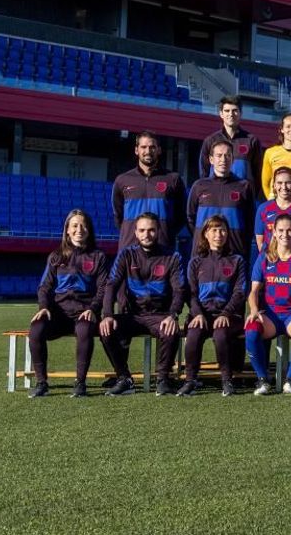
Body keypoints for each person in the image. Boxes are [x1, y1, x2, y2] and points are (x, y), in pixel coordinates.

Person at [99, 213, 184, 396]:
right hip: (133, 316)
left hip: (160, 315)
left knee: (172, 330)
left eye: (151, 230)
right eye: (142, 230)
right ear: (136, 233)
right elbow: (111, 284)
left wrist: (173, 315)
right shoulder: (126, 255)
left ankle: (163, 380)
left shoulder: (172, 256)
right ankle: (124, 379)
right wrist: (107, 315)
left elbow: (179, 290)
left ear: (158, 231)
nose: (147, 234)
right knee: (106, 330)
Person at [27, 209, 109, 398]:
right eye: (74, 225)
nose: (79, 229)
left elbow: (103, 288)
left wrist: (93, 309)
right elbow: (45, 287)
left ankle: (80, 383)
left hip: (84, 312)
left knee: (84, 330)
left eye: (83, 225)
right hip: (59, 313)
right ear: (67, 230)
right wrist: (44, 307)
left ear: (89, 229)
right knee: (36, 329)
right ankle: (41, 383)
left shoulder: (98, 256)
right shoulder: (56, 256)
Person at [245, 214, 291, 396]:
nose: (285, 234)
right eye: (281, 230)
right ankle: (263, 380)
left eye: (289, 230)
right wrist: (254, 310)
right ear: (274, 232)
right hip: (270, 316)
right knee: (251, 329)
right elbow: (253, 291)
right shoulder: (264, 258)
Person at [180, 215, 247, 397]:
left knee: (220, 334)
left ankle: (227, 380)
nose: (219, 234)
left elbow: (240, 292)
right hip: (202, 314)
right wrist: (197, 314)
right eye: (214, 230)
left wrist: (226, 313)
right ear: (206, 234)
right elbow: (191, 293)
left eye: (223, 229)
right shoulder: (195, 262)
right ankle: (190, 380)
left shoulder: (237, 260)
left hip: (228, 315)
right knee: (193, 335)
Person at [111, 130, 186, 250]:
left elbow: (181, 216)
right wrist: (131, 231)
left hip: (163, 249)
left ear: (159, 150)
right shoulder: (123, 180)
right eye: (143, 147)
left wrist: (165, 232)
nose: (148, 151)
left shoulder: (173, 179)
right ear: (137, 150)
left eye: (152, 147)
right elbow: (118, 216)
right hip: (130, 248)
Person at [187, 140, 255, 256]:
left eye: (228, 155)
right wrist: (202, 236)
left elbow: (250, 220)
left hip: (234, 253)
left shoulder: (244, 186)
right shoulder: (199, 186)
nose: (223, 160)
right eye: (219, 155)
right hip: (203, 254)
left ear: (233, 160)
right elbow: (190, 218)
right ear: (211, 159)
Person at [199, 95, 261, 186]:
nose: (231, 114)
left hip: (242, 195)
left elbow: (258, 173)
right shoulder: (210, 141)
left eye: (235, 110)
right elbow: (203, 171)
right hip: (216, 194)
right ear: (221, 114)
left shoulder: (252, 141)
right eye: (227, 111)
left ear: (241, 113)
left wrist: (251, 194)